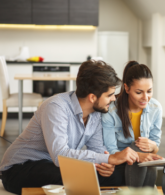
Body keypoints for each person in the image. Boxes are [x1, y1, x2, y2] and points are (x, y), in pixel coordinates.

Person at [0, 60, 140, 195]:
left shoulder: (96, 113)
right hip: (20, 168)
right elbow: (60, 155)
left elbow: (97, 151)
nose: (113, 99)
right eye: (109, 95)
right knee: (75, 177)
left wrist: (105, 165)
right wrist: (109, 159)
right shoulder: (56, 107)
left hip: (55, 165)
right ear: (92, 97)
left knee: (118, 175)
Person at [102, 60, 163, 187]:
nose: (145, 98)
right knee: (136, 147)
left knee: (144, 153)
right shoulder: (111, 111)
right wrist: (137, 155)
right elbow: (111, 150)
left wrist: (152, 147)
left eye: (149, 91)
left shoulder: (156, 108)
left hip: (142, 163)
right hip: (120, 162)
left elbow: (155, 146)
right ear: (127, 88)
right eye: (139, 92)